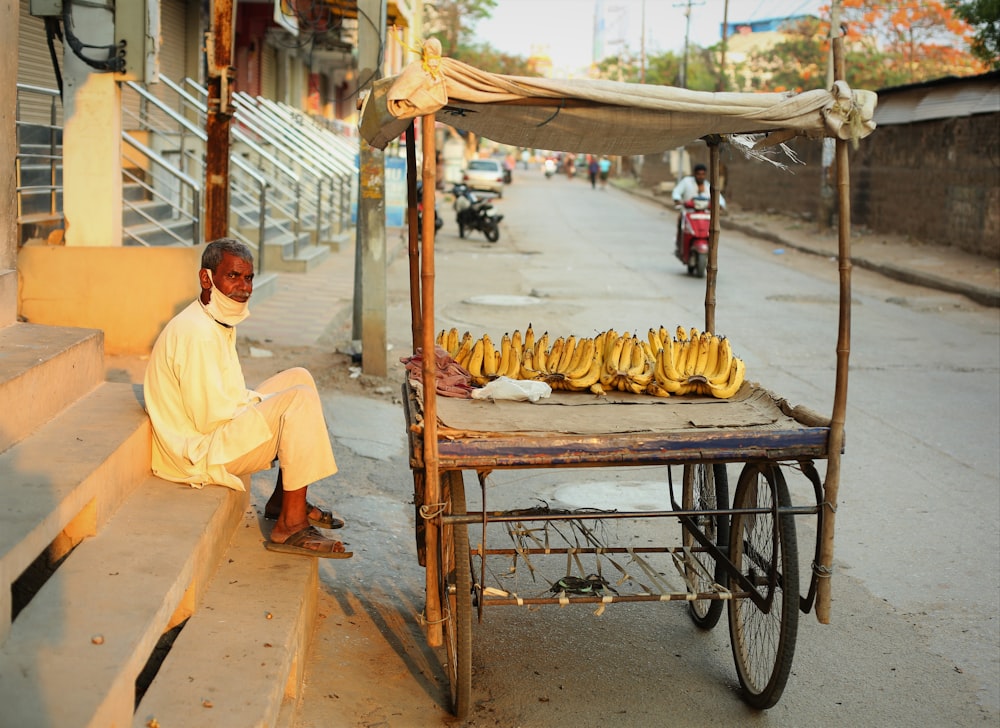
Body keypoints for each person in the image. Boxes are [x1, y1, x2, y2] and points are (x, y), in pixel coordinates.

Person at [143, 238, 351, 559]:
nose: (244, 287)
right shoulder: (195, 333)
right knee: (297, 402)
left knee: (300, 378)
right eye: (233, 276)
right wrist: (267, 410)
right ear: (206, 278)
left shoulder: (214, 317)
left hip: (215, 428)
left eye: (249, 277)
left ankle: (284, 498)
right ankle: (290, 525)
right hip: (199, 451)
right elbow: (211, 418)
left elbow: (225, 398)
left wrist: (261, 407)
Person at [671, 163, 726, 254]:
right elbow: (676, 192)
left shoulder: (709, 186)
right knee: (681, 221)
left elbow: (719, 198)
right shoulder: (686, 182)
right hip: (689, 212)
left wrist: (720, 205)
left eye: (703, 174)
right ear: (694, 174)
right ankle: (680, 245)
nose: (701, 176)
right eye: (698, 174)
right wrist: (677, 200)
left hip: (704, 214)